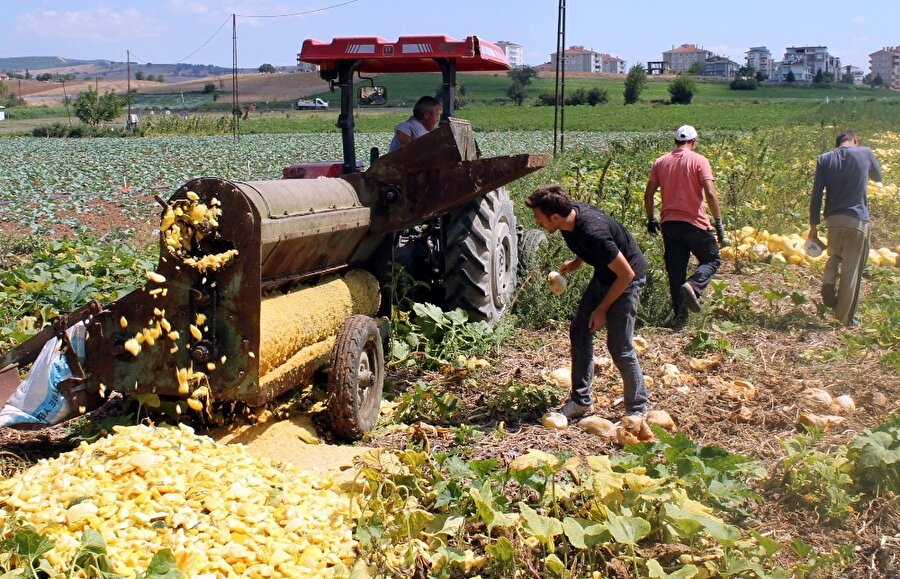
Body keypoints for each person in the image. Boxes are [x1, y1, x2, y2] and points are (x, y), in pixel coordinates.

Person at [525, 184, 649, 420]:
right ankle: (581, 401)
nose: (537, 223)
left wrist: (602, 309)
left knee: (619, 347)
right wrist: (577, 261)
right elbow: (588, 244)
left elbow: (626, 274)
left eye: (539, 218)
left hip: (627, 277)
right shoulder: (568, 220)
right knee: (580, 331)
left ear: (554, 216)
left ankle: (637, 409)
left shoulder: (593, 232)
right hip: (606, 273)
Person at [644, 124, 727, 327]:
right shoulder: (699, 160)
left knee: (675, 270)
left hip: (670, 224)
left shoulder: (661, 161)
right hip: (695, 222)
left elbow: (648, 194)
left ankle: (680, 318)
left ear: (675, 142)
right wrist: (718, 223)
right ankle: (694, 285)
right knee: (712, 259)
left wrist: (651, 218)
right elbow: (710, 192)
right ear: (694, 143)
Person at [808, 131, 882, 327]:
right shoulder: (864, 152)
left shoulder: (824, 159)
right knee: (852, 271)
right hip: (857, 221)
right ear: (855, 141)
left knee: (835, 256)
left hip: (833, 220)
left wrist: (813, 226)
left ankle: (828, 281)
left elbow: (816, 196)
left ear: (838, 143)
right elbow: (878, 176)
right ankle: (845, 319)